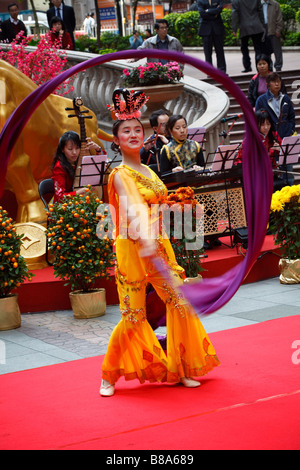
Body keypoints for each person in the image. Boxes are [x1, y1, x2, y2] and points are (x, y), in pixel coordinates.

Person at [100, 89, 220, 397]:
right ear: (116, 140)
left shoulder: (150, 170)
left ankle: (182, 368)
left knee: (180, 303)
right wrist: (146, 239)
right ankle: (109, 374)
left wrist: (175, 208)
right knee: (133, 315)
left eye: (137, 129)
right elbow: (130, 206)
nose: (133, 134)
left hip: (159, 245)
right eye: (125, 131)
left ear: (145, 134)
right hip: (133, 249)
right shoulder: (119, 173)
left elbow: (158, 203)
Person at [255, 73, 295, 184]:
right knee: (273, 174)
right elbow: (257, 118)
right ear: (268, 84)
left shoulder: (285, 98)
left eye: (278, 81)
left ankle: (290, 196)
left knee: (288, 171)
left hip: (285, 137)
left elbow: (292, 117)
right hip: (270, 139)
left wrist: (290, 130)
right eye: (274, 81)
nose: (277, 84)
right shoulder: (261, 100)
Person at [51, 131, 103, 203]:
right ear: (62, 150)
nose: (74, 152)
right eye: (70, 149)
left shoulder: (79, 160)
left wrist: (98, 149)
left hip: (80, 202)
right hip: (64, 208)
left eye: (77, 148)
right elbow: (60, 197)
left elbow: (100, 165)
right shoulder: (59, 167)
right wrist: (81, 191)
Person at [231, 0, 265, 73]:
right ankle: (259, 66)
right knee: (258, 48)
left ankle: (247, 66)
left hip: (244, 26)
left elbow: (234, 14)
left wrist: (234, 29)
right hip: (257, 25)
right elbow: (260, 11)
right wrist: (263, 24)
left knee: (244, 48)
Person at [197, 0, 227, 73]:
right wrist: (214, 13)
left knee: (220, 51)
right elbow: (202, 14)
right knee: (207, 52)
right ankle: (209, 71)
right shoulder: (200, 1)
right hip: (205, 30)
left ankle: (222, 70)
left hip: (217, 29)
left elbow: (219, 9)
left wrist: (208, 11)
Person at [262, 0, 283, 72]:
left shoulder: (275, 4)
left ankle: (278, 67)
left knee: (277, 50)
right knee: (265, 51)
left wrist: (278, 30)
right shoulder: (258, 4)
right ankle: (269, 67)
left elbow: (279, 18)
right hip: (263, 30)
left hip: (273, 28)